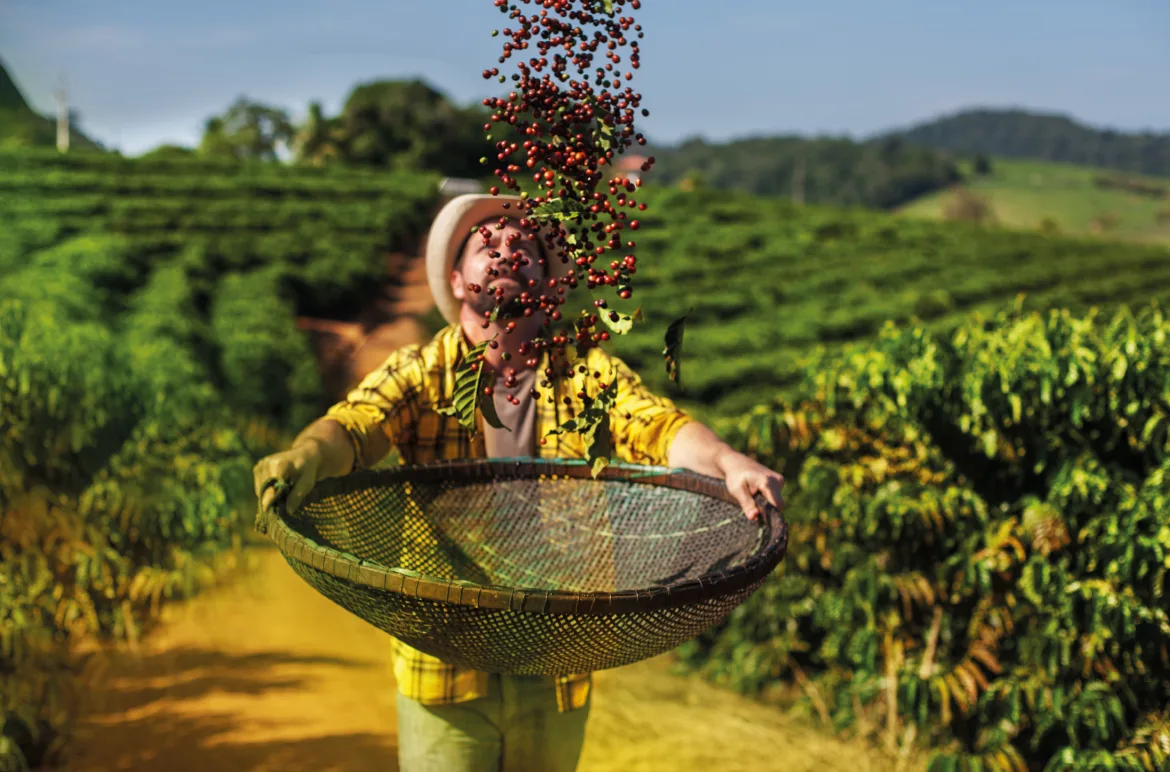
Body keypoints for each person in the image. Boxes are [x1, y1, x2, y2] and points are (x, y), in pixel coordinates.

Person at [252, 193, 785, 772]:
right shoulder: (423, 372)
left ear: (548, 286)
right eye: (488, 247)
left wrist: (726, 459)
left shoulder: (584, 371)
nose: (507, 254)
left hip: (554, 654)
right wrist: (306, 454)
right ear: (457, 281)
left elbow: (654, 425)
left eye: (524, 248)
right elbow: (355, 425)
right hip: (446, 654)